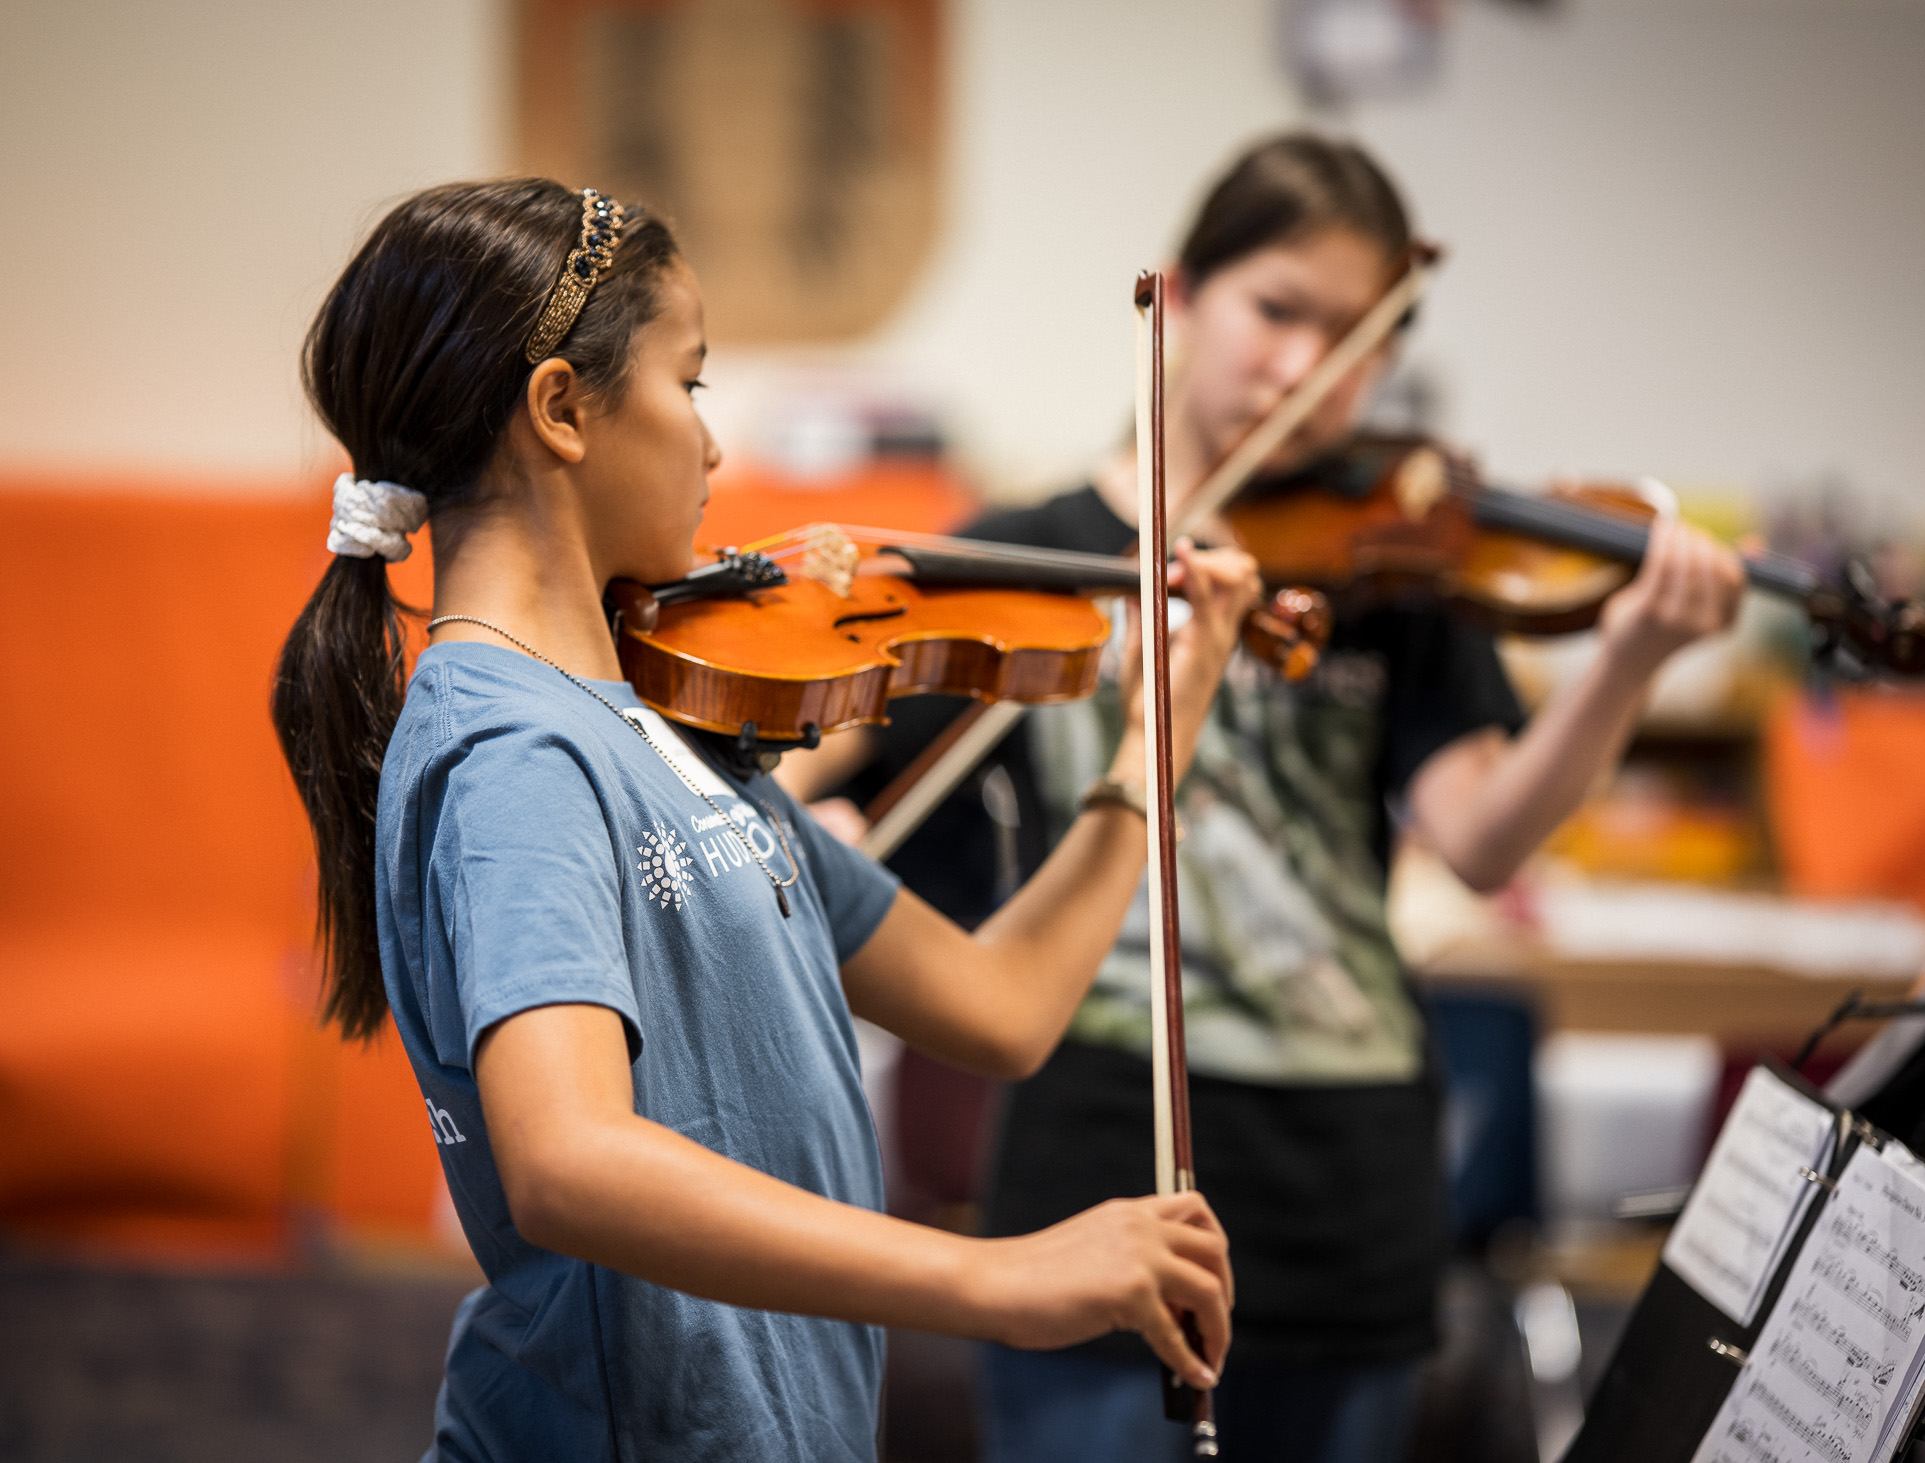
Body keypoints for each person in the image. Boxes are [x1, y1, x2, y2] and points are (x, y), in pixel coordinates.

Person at [777, 133, 1747, 1463]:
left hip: (1350, 1190)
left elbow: (1479, 835)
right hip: (1097, 1166)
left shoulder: (1391, 565)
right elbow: (822, 790)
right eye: (1278, 311)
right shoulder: (1036, 557)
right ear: (1177, 296)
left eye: (1356, 340)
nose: (1306, 369)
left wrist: (1629, 654)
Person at [268, 178, 1266, 1463]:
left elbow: (1002, 1004)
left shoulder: (673, 734)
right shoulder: (511, 746)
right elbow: (566, 1158)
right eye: (688, 383)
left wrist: (1155, 738)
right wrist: (1002, 1278)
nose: (713, 443)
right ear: (562, 409)